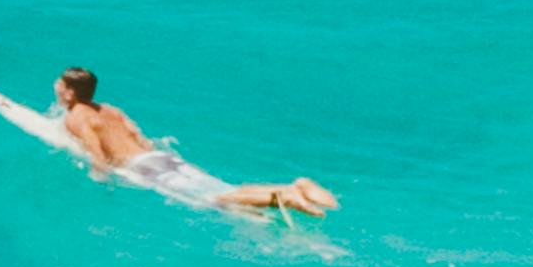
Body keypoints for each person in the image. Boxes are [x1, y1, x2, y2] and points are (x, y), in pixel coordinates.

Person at [53, 64, 329, 218]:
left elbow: (96, 152)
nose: (56, 85)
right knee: (223, 188)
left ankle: (282, 197)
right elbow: (141, 139)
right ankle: (293, 186)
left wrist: (100, 183)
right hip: (162, 159)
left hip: (143, 168)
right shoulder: (110, 109)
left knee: (212, 198)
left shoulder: (75, 116)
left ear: (69, 93)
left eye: (60, 84)